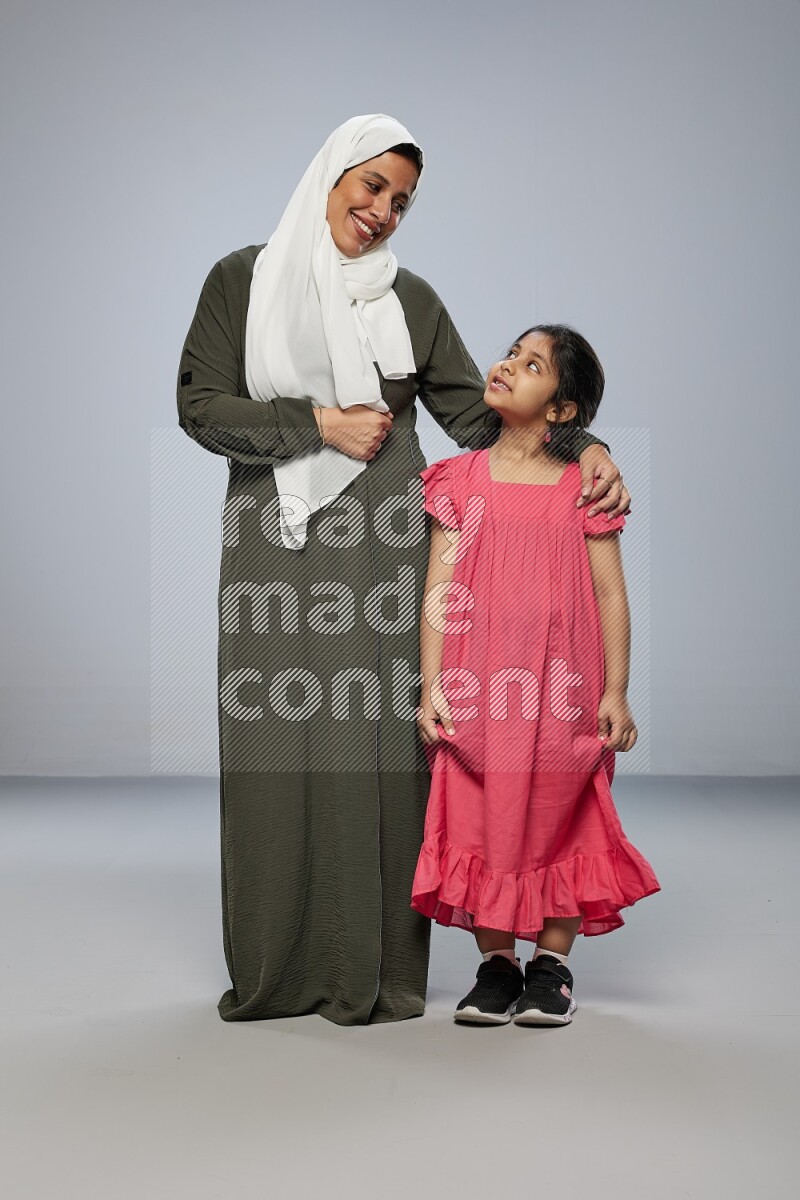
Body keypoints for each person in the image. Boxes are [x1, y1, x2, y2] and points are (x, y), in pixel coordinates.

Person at [176, 114, 630, 1027]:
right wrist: (317, 423)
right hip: (279, 539)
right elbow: (200, 404)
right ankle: (277, 966)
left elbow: (483, 419)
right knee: (274, 740)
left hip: (392, 546)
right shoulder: (243, 279)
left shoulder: (410, 299)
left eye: (403, 202)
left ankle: (376, 970)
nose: (383, 211)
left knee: (386, 752)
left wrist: (587, 448)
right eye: (372, 186)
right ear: (333, 173)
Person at [412, 324, 659, 1026]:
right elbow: (441, 588)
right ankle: (496, 965)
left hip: (562, 688)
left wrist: (615, 689)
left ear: (562, 411)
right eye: (510, 355)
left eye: (532, 365)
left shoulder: (584, 485)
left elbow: (610, 592)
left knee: (562, 815)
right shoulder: (458, 480)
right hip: (477, 685)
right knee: (479, 815)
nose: (507, 366)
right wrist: (432, 685)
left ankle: (551, 966)